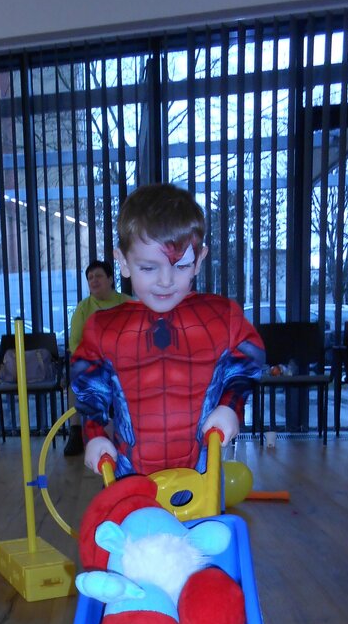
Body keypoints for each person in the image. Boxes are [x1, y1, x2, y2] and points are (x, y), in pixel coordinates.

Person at [71, 183, 265, 478]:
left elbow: (247, 363)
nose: (165, 281)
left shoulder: (222, 317)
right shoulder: (102, 329)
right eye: (149, 268)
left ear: (199, 260)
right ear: (122, 262)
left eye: (181, 266)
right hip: (129, 479)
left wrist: (230, 406)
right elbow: (90, 391)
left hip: (203, 480)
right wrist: (95, 434)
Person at [64, 260, 129, 456]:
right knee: (76, 380)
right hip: (92, 364)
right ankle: (76, 432)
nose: (94, 280)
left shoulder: (127, 303)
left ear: (110, 279)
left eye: (98, 276)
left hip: (123, 363)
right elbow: (75, 342)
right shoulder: (83, 307)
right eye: (90, 278)